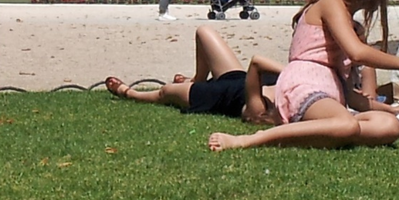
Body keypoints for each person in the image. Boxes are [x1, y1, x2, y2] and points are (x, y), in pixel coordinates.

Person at [208, 0, 399, 151]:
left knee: (389, 126)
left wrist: (391, 109)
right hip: (305, 85)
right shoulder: (331, 2)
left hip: (330, 94)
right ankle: (255, 139)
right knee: (347, 125)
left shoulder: (344, 17)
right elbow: (358, 52)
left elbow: (351, 96)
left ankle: (316, 133)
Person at [104, 26, 285, 125]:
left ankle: (129, 93)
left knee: (166, 92)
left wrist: (294, 72)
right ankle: (197, 78)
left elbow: (257, 63)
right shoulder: (294, 92)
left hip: (212, 95)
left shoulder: (259, 109)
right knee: (204, 32)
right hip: (236, 78)